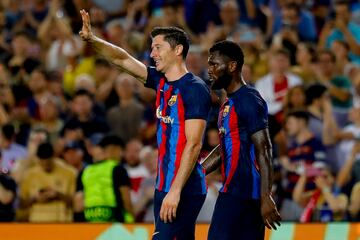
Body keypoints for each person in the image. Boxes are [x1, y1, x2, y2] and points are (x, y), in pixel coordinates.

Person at [79, 10, 211, 240]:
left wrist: (176, 190)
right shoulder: (160, 81)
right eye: (152, 48)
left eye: (158, 47)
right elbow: (122, 59)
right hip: (164, 185)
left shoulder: (195, 89)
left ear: (178, 50)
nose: (152, 53)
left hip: (183, 187)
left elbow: (194, 143)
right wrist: (93, 39)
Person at [203, 40, 281, 240]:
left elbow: (264, 148)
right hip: (233, 191)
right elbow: (223, 149)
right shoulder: (227, 102)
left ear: (232, 66)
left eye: (214, 64)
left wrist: (266, 197)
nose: (209, 70)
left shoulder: (249, 99)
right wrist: (197, 172)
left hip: (245, 193)